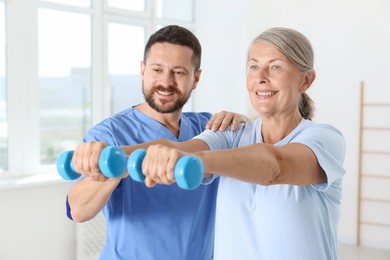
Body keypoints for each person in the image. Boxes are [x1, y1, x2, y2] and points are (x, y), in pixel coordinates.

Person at [83, 27, 345, 260]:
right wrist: (111, 154)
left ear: (306, 80)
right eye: (253, 66)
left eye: (275, 66)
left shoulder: (323, 139)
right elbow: (179, 147)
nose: (261, 77)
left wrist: (195, 162)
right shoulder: (231, 133)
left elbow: (276, 165)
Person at [67, 25, 247, 260]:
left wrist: (241, 121)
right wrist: (111, 168)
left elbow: (256, 144)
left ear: (196, 78)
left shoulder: (209, 128)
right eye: (157, 69)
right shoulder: (109, 135)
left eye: (179, 72)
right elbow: (79, 211)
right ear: (143, 70)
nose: (166, 82)